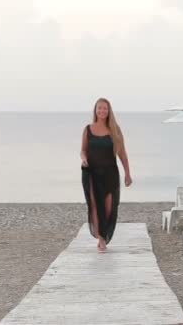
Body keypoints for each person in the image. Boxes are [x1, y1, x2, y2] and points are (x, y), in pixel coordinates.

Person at [80, 98, 132, 253]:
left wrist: (128, 173)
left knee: (109, 208)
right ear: (95, 110)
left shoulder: (115, 129)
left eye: (105, 108)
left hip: (110, 173)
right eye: (99, 108)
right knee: (95, 207)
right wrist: (84, 159)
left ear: (109, 111)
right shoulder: (88, 129)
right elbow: (83, 150)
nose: (102, 111)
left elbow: (122, 153)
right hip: (91, 173)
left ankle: (103, 234)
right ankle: (101, 239)